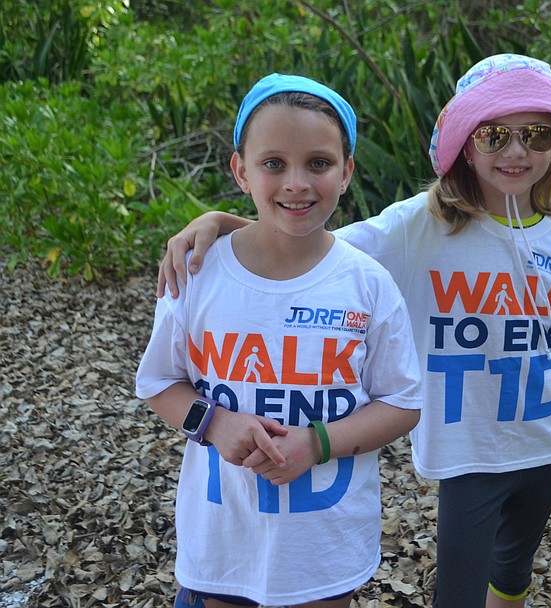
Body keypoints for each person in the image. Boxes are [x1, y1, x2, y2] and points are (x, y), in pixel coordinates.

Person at [157, 54, 551, 608]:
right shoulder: (422, 223)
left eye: (536, 134)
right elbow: (311, 243)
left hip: (548, 437)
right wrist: (223, 224)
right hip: (470, 452)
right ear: (466, 145)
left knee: (514, 568)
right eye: (493, 135)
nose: (516, 151)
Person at [135, 73, 422, 608]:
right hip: (222, 544)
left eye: (318, 163)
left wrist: (316, 444)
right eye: (273, 163)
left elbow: (403, 402)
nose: (296, 183)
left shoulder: (368, 284)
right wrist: (214, 423)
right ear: (241, 171)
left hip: (324, 550)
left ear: (347, 171)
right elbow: (158, 383)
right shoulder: (196, 273)